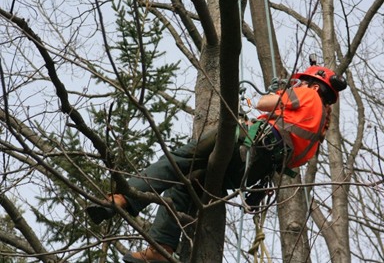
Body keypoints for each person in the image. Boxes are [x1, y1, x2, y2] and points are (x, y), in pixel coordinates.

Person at [86, 65, 347, 262]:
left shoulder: (308, 95)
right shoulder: (316, 136)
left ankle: (123, 198)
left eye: (303, 81)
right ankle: (161, 246)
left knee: (180, 159)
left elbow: (263, 103)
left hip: (244, 144)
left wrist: (275, 93)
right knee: (187, 184)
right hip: (247, 171)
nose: (299, 83)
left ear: (314, 86)